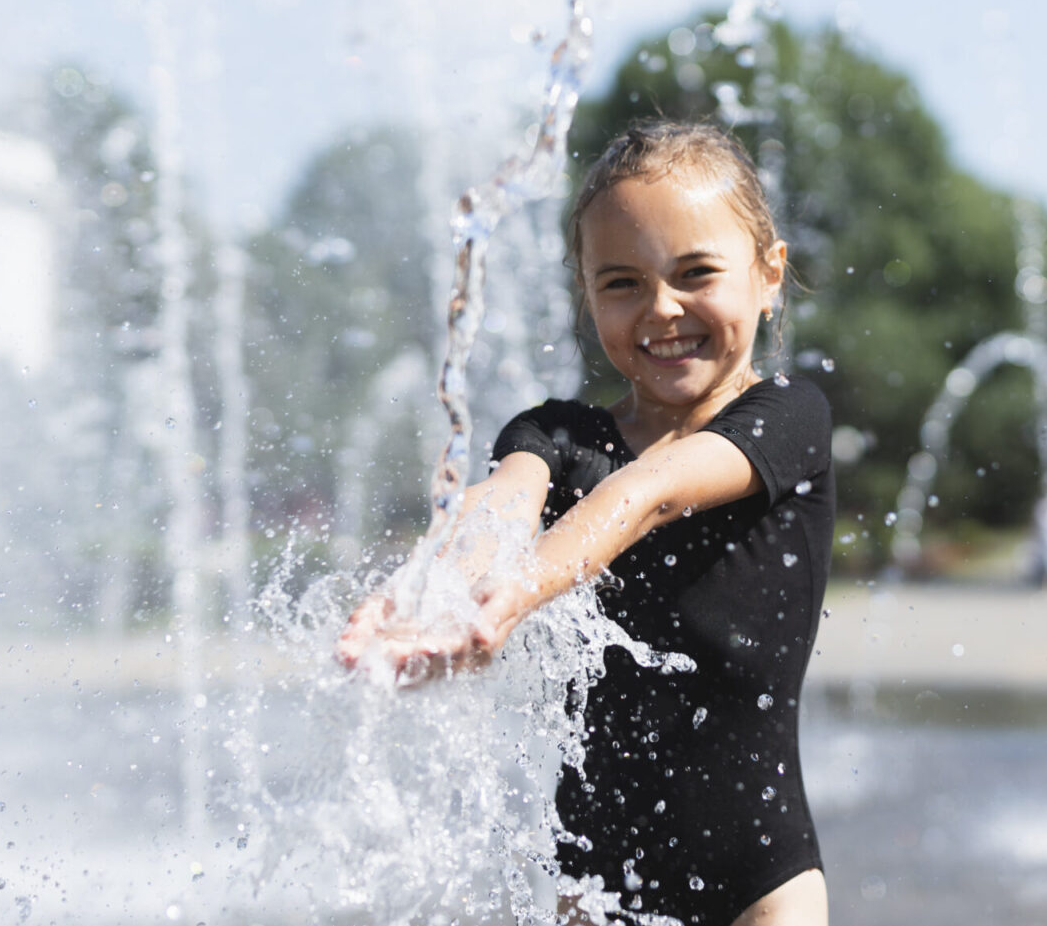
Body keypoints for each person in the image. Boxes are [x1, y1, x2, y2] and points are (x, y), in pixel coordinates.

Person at [337, 121, 833, 926]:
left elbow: (649, 492)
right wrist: (430, 592)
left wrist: (512, 594)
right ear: (585, 290)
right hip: (594, 879)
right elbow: (500, 503)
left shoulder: (788, 417)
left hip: (761, 882)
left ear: (769, 274)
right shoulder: (558, 433)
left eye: (697, 272)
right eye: (622, 283)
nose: (662, 308)